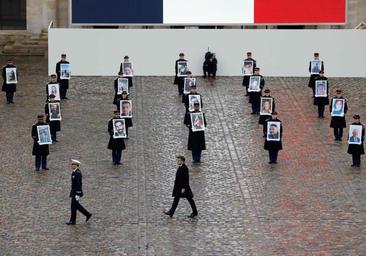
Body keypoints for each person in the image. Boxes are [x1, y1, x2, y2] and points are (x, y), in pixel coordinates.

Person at [66, 159, 92, 225]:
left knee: (74, 206)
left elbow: (79, 184)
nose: (71, 165)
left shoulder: (78, 173)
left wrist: (78, 193)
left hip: (76, 192)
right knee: (75, 206)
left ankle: (74, 220)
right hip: (74, 192)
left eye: (73, 164)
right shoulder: (74, 172)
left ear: (76, 165)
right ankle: (85, 215)